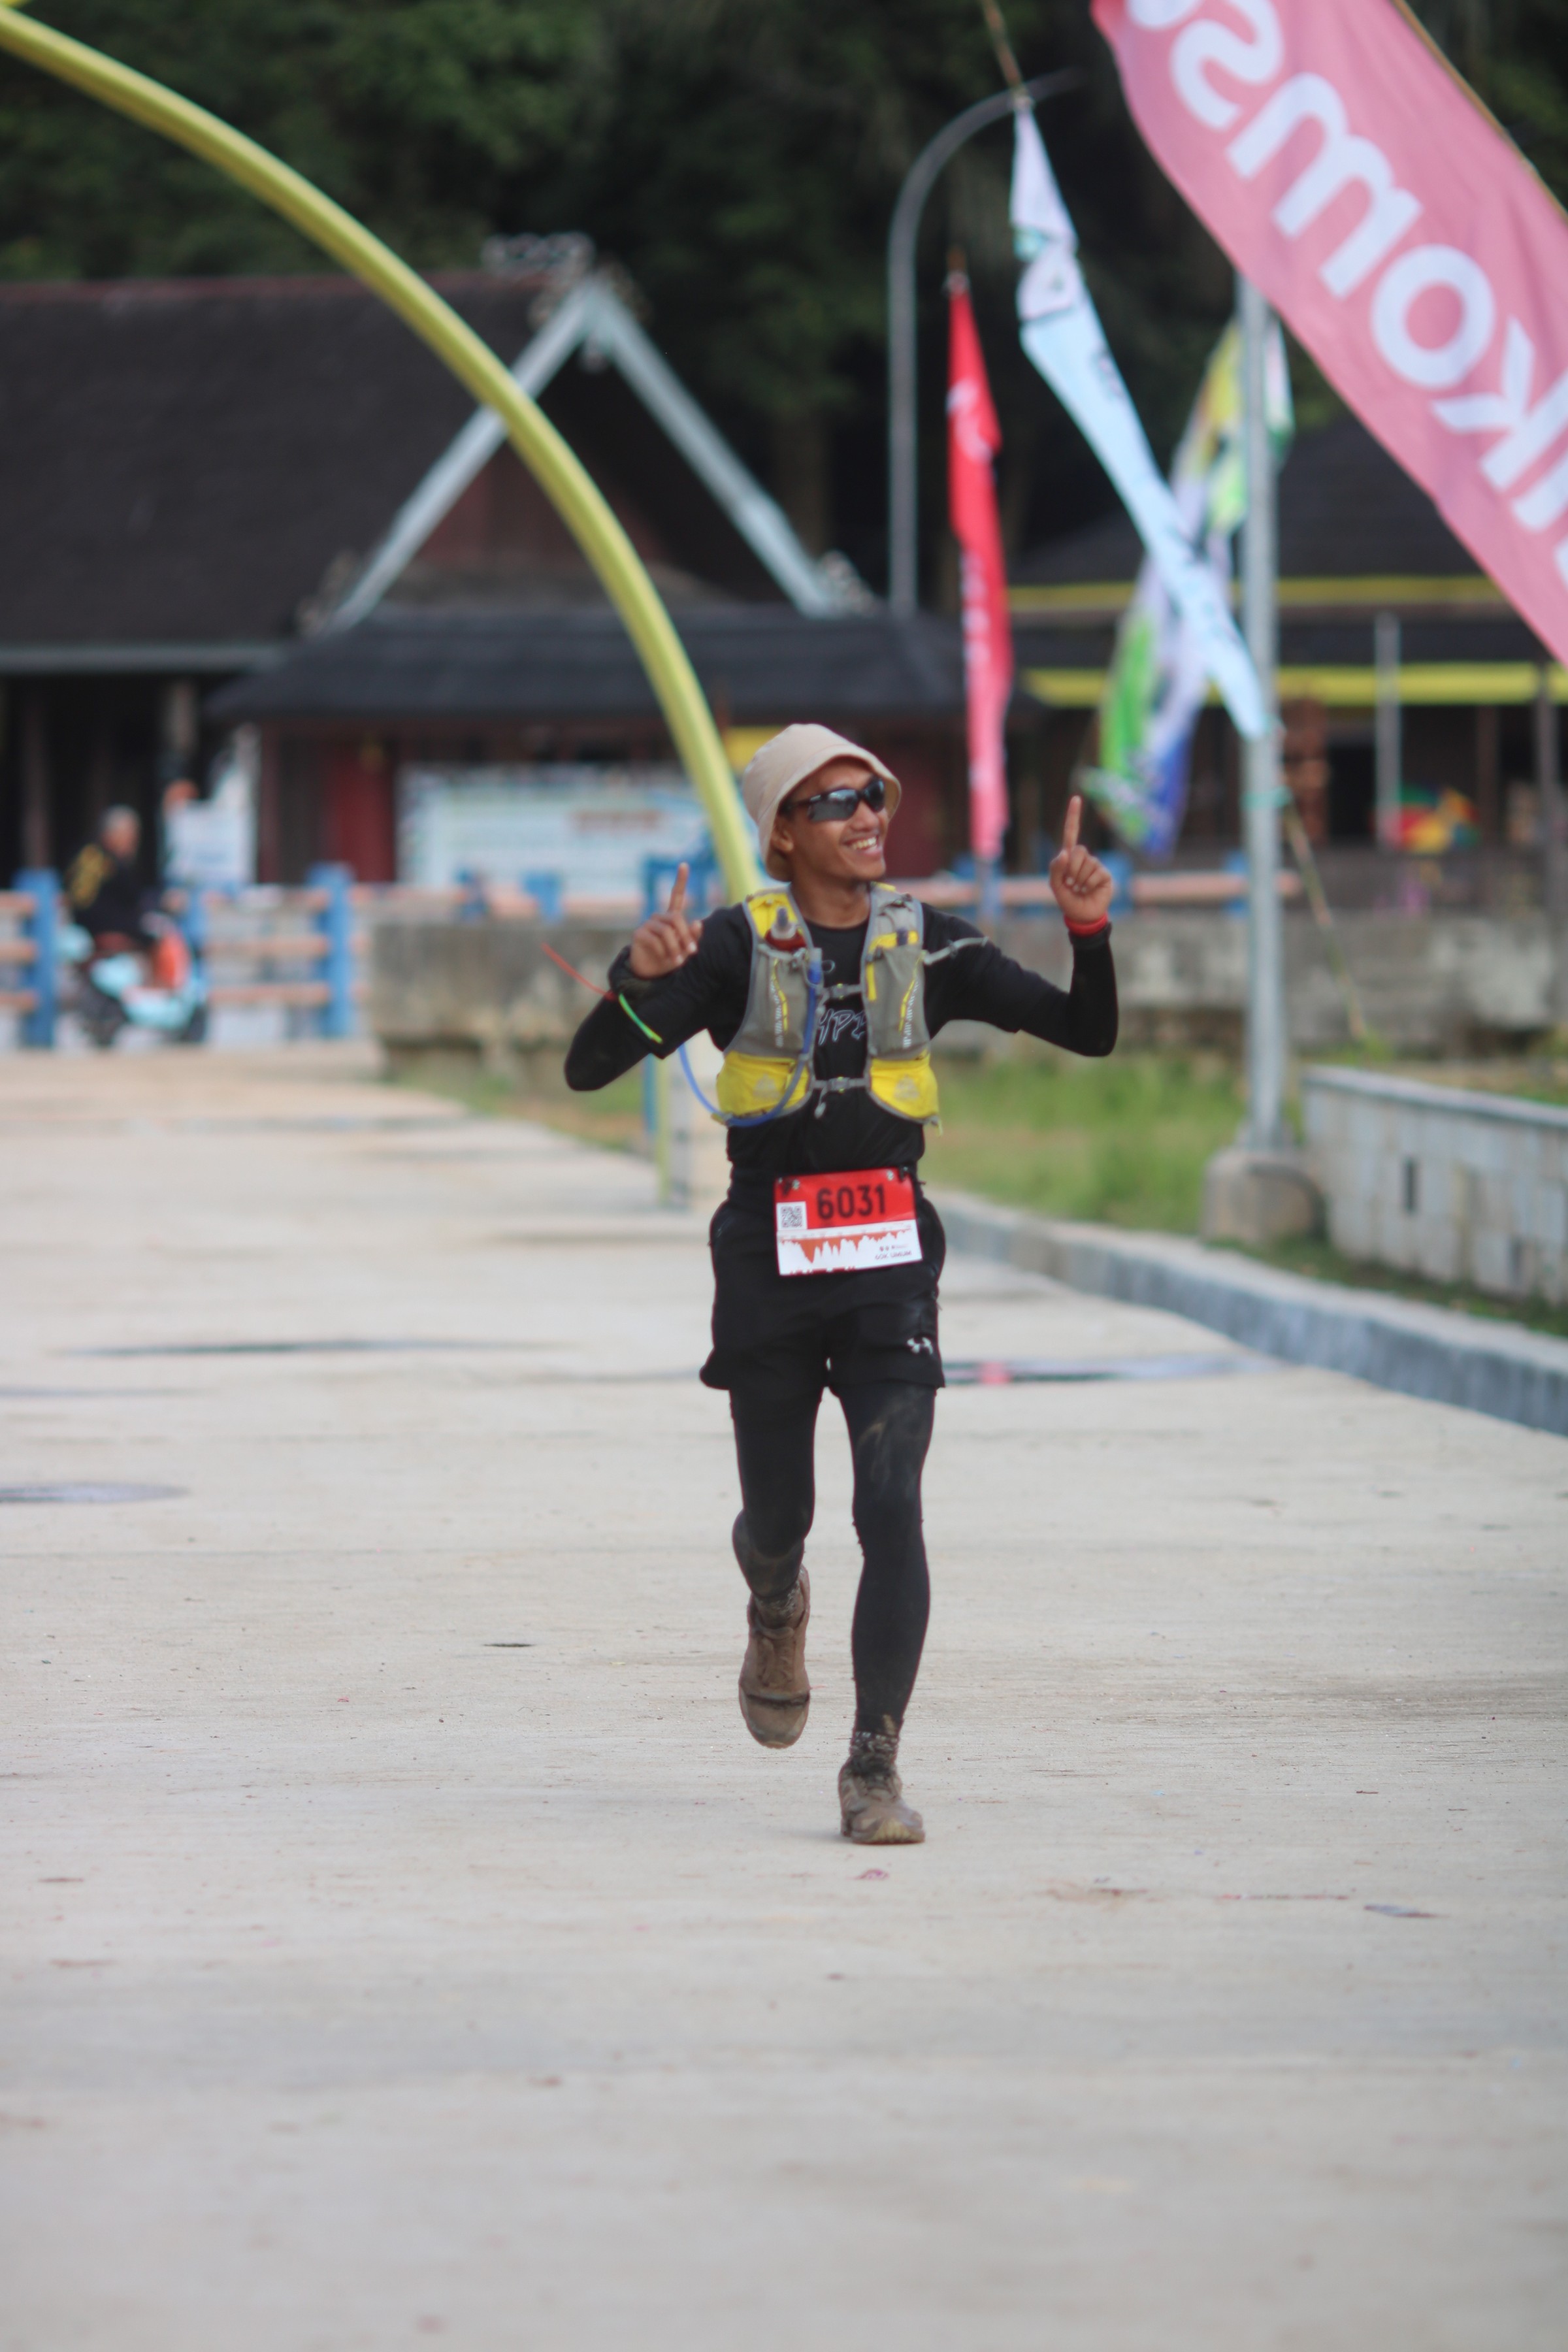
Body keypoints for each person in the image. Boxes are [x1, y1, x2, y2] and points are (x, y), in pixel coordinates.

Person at [565, 723, 1117, 1844]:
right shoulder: (735, 947)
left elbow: (1087, 1031)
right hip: (767, 1259)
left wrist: (1088, 929)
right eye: (837, 803)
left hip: (888, 1260)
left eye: (875, 796)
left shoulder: (931, 945)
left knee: (891, 1506)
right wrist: (636, 979)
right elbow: (589, 1066)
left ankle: (873, 1766)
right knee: (782, 1516)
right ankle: (775, 1595)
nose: (869, 817)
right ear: (783, 833)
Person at [65, 806, 154, 951]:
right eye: (130, 837)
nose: (133, 845)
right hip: (99, 935)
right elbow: (132, 902)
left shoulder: (85, 853)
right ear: (112, 835)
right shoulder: (109, 862)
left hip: (83, 931)